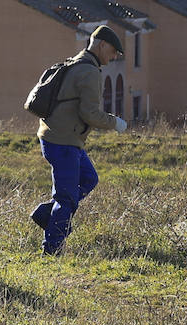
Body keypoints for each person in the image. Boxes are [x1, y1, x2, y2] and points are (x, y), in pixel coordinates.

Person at [31, 25, 129, 255]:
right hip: (63, 141)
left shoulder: (75, 62)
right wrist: (115, 123)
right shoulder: (89, 72)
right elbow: (90, 113)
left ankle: (46, 214)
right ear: (101, 44)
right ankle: (52, 248)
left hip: (57, 137)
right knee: (66, 199)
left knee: (89, 178)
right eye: (113, 51)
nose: (114, 57)